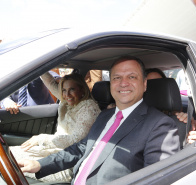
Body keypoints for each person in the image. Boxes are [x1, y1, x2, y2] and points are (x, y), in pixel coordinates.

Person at [18, 55, 179, 185]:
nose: (123, 83)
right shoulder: (104, 116)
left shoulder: (161, 126)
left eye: (131, 76)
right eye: (116, 78)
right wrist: (40, 164)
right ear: (111, 84)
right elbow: (80, 148)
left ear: (144, 84)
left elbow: (157, 179)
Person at [10, 72, 101, 182]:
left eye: (72, 89)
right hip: (55, 151)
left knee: (15, 164)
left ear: (82, 90)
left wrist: (41, 139)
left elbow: (76, 141)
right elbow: (50, 83)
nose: (67, 94)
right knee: (10, 154)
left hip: (68, 162)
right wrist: (41, 66)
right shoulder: (69, 101)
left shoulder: (89, 108)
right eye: (64, 90)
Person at [146, 68, 196, 144]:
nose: (155, 89)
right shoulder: (137, 121)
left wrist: (191, 128)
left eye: (159, 84)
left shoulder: (179, 121)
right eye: (150, 86)